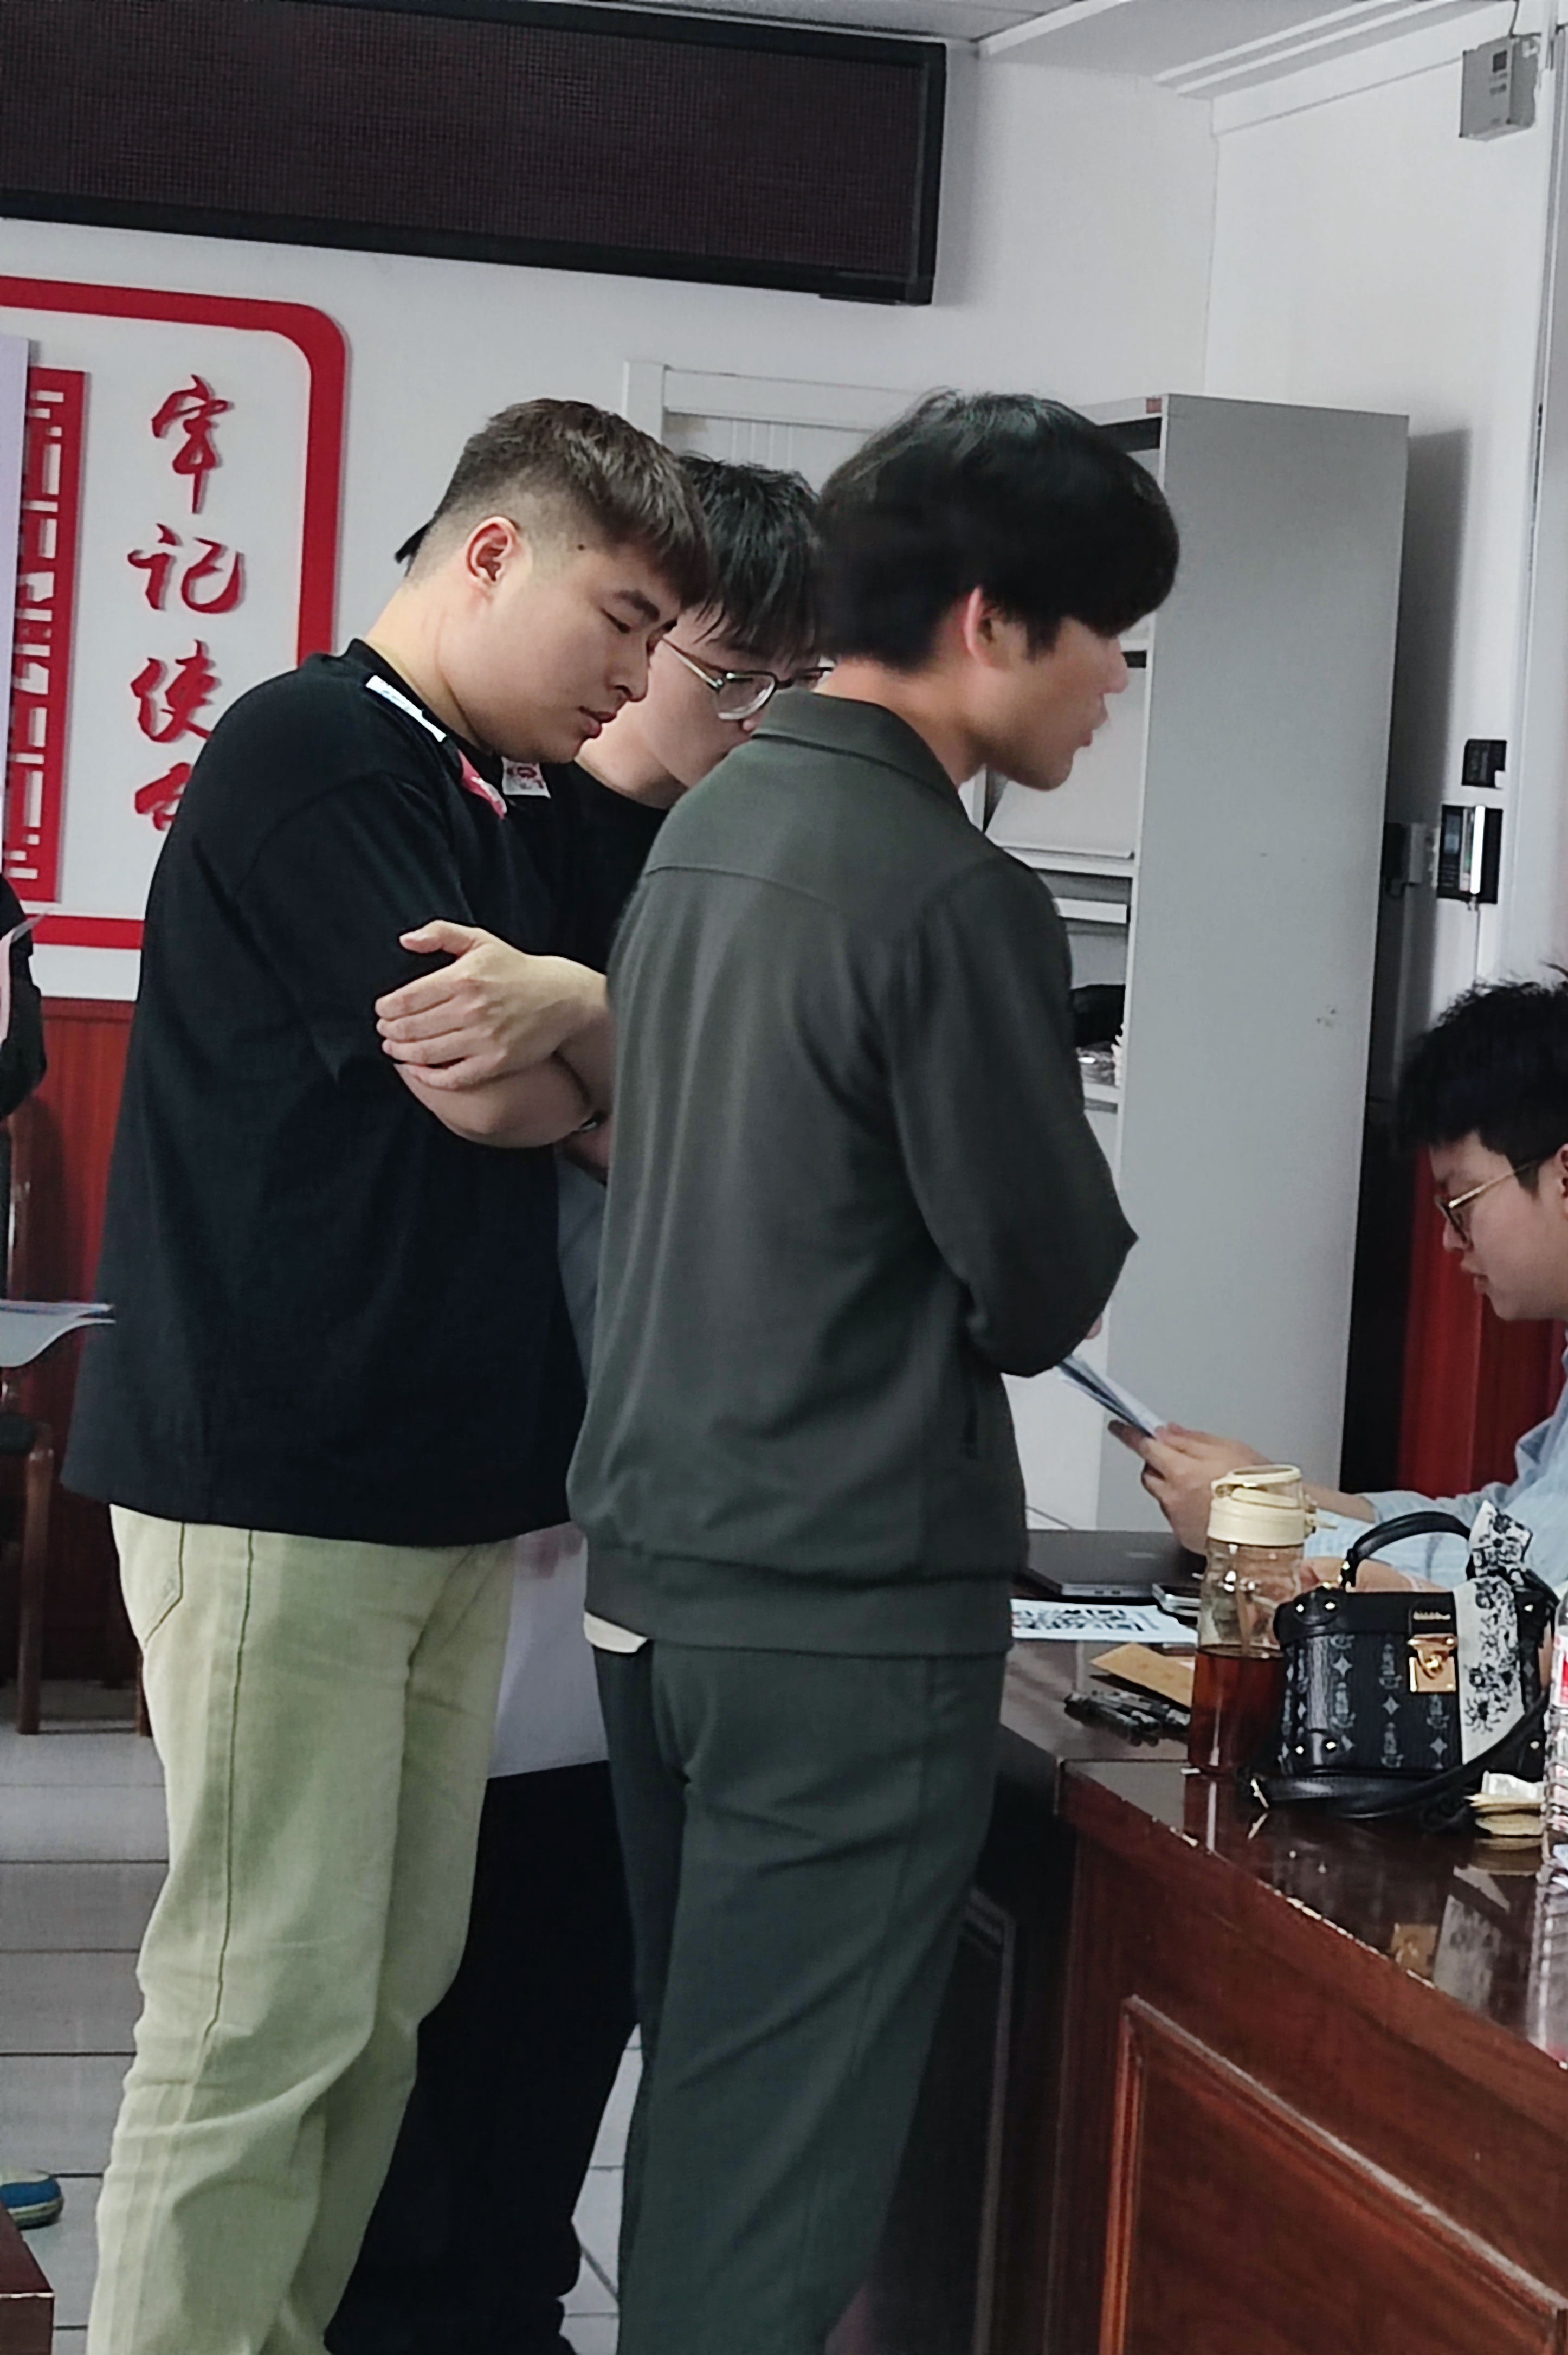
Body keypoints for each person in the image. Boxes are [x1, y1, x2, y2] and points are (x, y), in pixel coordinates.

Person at [67, 400, 706, 2355]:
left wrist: (578, 1013)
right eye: (620, 618)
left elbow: (617, 1088)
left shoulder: (487, 788)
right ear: (491, 553)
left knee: (377, 2001)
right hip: (284, 1468)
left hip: (441, 1490)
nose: (635, 676)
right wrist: (588, 1054)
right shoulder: (317, 746)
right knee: (260, 1999)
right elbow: (484, 1081)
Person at [567, 391, 1169, 2355]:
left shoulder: (717, 819)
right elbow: (1038, 1279)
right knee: (776, 2187)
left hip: (659, 1575)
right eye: (1107, 636)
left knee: (714, 2111)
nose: (1113, 686)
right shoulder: (947, 887)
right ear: (991, 620)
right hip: (837, 1606)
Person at [330, 454, 821, 2355]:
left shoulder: (739, 864)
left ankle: (497, 2298)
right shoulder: (500, 825)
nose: (748, 714)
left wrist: (612, 1060)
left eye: (790, 679)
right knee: (432, 1988)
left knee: (563, 1982)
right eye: (720, 665)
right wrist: (637, 1086)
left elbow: (766, 1155)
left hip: (652, 1497)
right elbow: (514, 1106)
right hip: (483, 1477)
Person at [1133, 975, 1568, 1585]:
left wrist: (1252, 1533)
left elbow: (1517, 1582)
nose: (1450, 1240)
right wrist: (1283, 1498)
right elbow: (1501, 1523)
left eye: (1461, 1204)